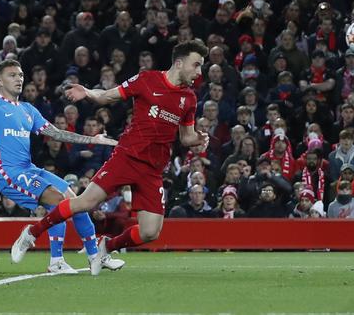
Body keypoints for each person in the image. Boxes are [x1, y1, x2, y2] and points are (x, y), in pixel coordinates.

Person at [18, 40, 211, 271]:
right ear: (179, 63)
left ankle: (107, 246)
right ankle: (32, 233)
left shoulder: (189, 98)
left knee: (150, 232)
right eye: (196, 65)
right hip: (127, 157)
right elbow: (106, 97)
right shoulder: (146, 80)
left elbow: (186, 136)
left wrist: (197, 139)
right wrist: (87, 92)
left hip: (153, 169)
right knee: (85, 202)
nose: (199, 72)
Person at [0, 59, 122, 275]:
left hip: (29, 169)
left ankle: (95, 256)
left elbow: (57, 133)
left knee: (77, 202)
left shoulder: (28, 110)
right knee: (57, 200)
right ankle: (56, 260)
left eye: (21, 75)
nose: (19, 79)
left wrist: (93, 140)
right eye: (12, 75)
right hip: (9, 174)